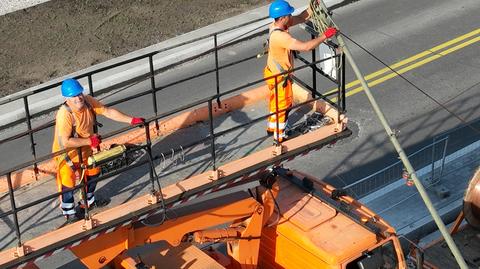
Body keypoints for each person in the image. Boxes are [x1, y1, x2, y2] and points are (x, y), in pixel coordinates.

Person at [52, 78, 145, 222]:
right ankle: (69, 212)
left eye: (79, 94)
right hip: (67, 155)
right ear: (66, 99)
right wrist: (90, 141)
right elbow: (66, 141)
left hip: (85, 150)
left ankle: (87, 203)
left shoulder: (88, 102)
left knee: (93, 173)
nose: (78, 98)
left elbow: (107, 111)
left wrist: (131, 120)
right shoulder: (65, 115)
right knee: (68, 181)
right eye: (74, 96)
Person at [264, 0, 337, 142]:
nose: (291, 16)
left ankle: (272, 127)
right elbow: (306, 47)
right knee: (284, 106)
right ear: (283, 17)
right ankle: (280, 137)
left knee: (275, 102)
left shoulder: (275, 26)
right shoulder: (281, 36)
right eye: (289, 15)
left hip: (271, 72)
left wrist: (312, 7)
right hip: (280, 79)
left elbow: (302, 17)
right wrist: (325, 36)